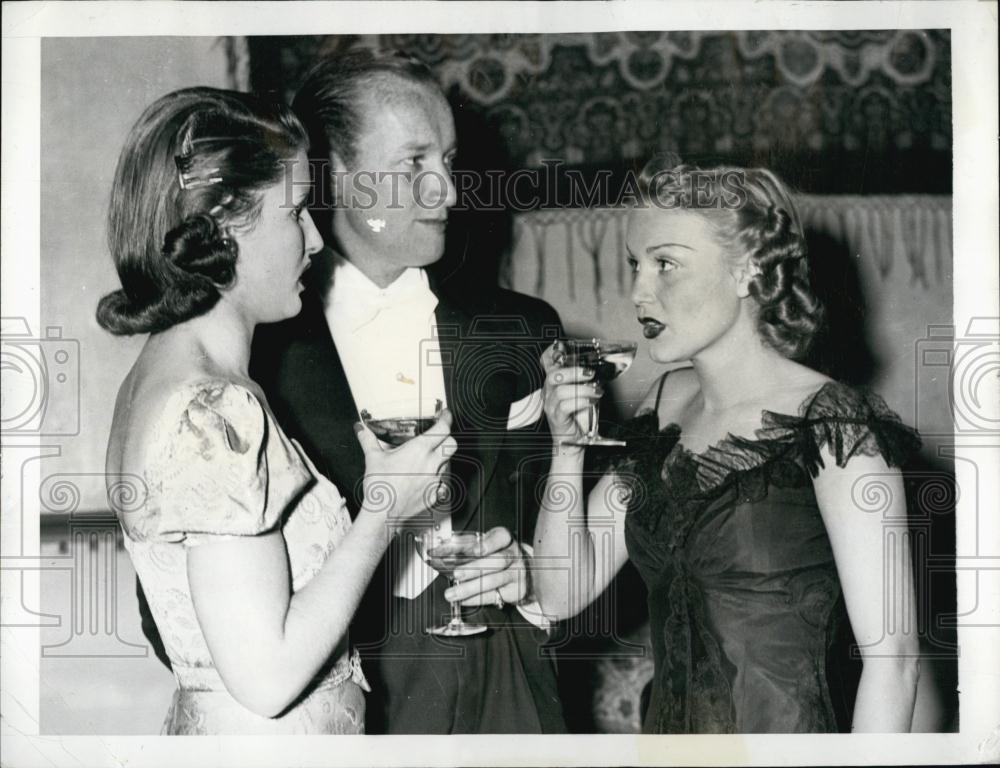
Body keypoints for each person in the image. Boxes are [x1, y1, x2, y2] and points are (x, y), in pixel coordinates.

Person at [99, 87, 456, 734]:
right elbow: (267, 678)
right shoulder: (213, 407)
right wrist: (384, 509)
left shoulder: (159, 380)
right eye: (294, 212)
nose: (316, 239)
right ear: (226, 223)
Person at [533, 160, 922, 733]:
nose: (639, 291)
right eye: (635, 265)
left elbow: (896, 663)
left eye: (665, 264)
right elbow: (562, 592)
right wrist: (567, 449)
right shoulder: (662, 404)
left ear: (746, 271)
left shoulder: (832, 420)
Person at [249, 51, 567, 734]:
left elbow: (564, 529)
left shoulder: (518, 332)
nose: (448, 194)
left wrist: (533, 573)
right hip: (342, 699)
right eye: (413, 166)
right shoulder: (255, 360)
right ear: (335, 175)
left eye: (449, 163)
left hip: (506, 690)